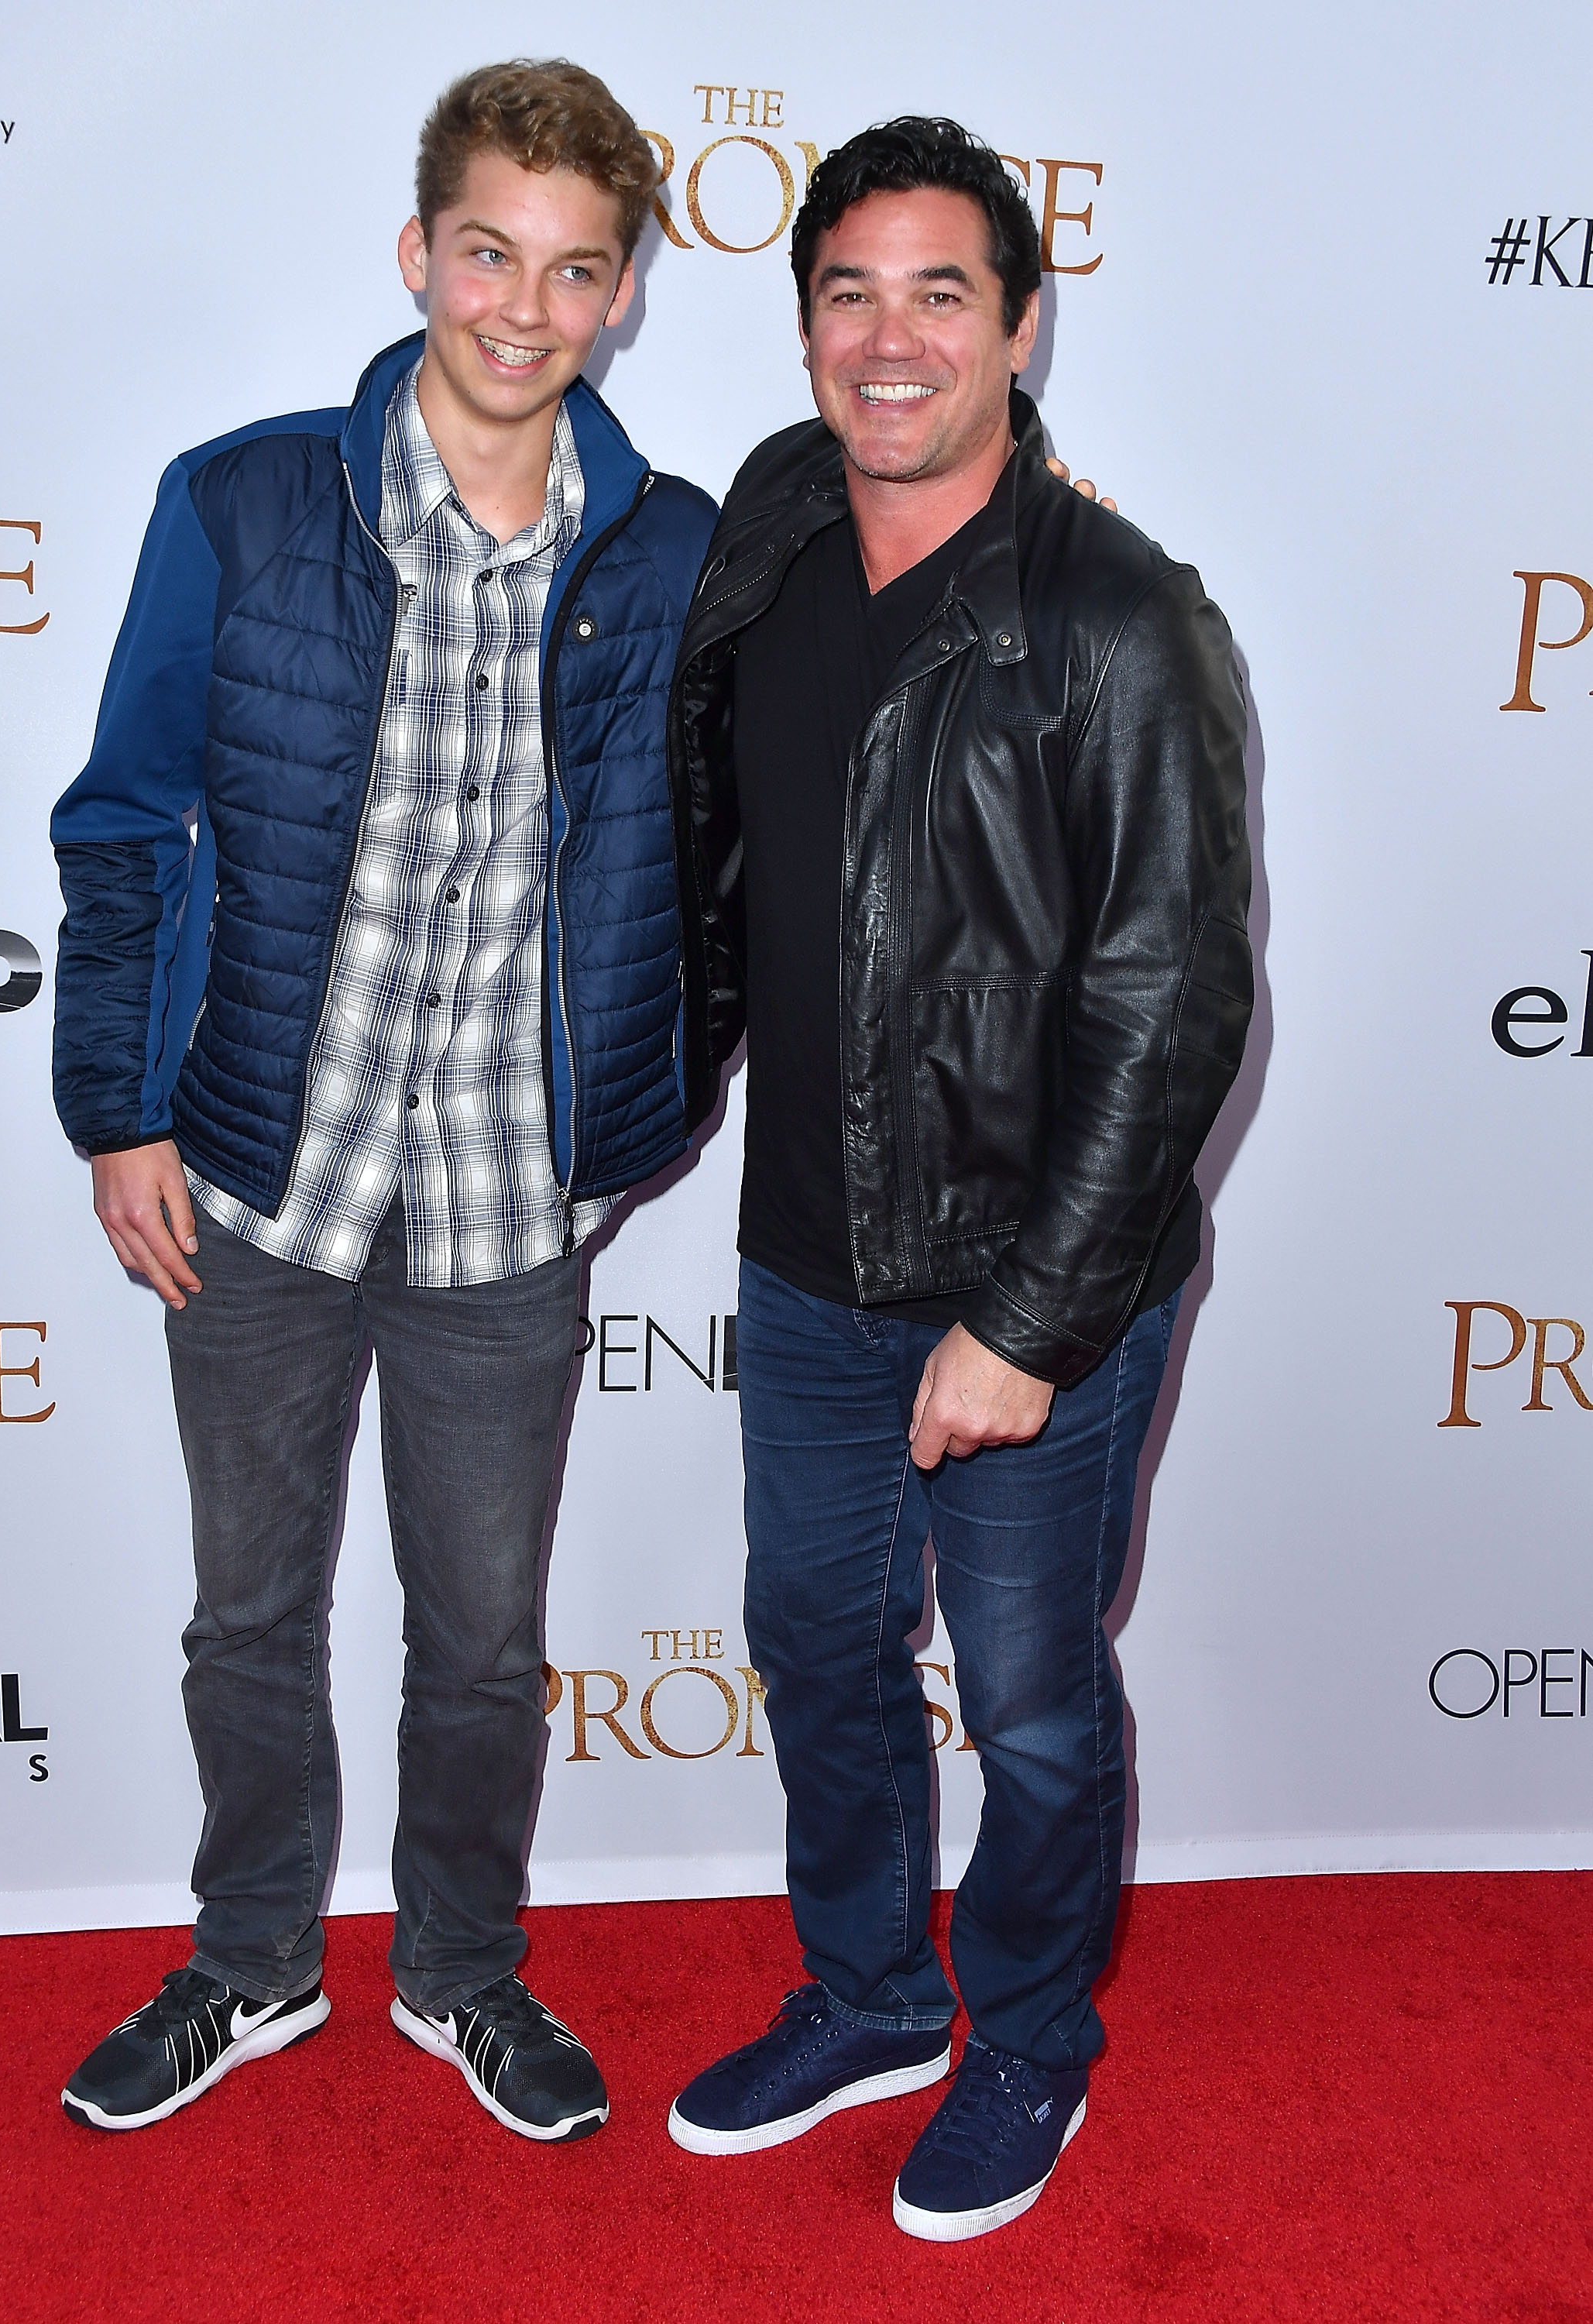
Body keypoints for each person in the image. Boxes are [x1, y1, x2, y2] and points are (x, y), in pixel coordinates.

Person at [49, 59, 719, 2143]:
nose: (524, 309)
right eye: (489, 252)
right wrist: (115, 1111)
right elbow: (122, 816)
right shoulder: (245, 500)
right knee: (249, 1610)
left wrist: (636, 1113)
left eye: (574, 270)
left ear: (620, 296)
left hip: (509, 1206)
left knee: (480, 1628)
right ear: (418, 250)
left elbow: (714, 866)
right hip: (258, 1169)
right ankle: (251, 1967)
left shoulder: (679, 549)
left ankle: (461, 1975)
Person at [664, 118, 1252, 2240]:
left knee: (1019, 1695)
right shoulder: (771, 525)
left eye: (939, 294)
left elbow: (1170, 1003)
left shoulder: (1115, 621)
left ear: (1019, 321)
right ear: (803, 317)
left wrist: (1025, 1321)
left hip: (1035, 1284)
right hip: (805, 1260)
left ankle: (1026, 2042)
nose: (888, 340)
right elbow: (724, 872)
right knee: (819, 1649)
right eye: (848, 291)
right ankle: (865, 1997)